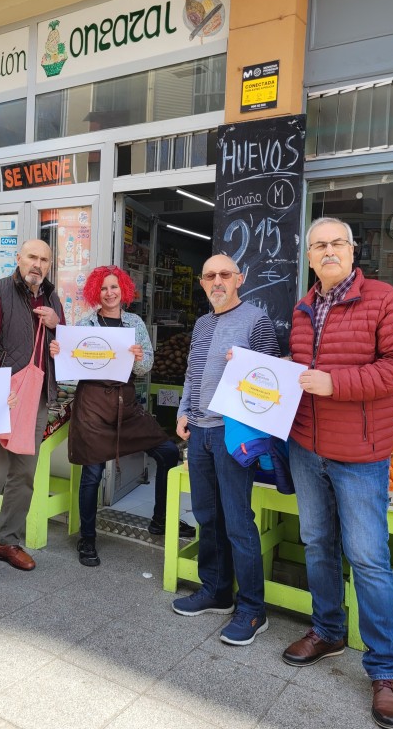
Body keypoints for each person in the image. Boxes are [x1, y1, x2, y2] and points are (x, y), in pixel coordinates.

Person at [284, 217, 393, 729]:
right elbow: (296, 373)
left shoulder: (382, 299)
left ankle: (385, 672)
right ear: (310, 257)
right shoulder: (301, 308)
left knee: (368, 560)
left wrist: (334, 383)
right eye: (319, 245)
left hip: (361, 453)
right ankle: (328, 630)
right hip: (306, 448)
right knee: (317, 543)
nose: (328, 251)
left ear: (352, 248)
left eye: (336, 242)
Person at [49, 264, 194, 567]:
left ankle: (161, 519)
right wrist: (60, 353)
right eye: (103, 288)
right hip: (91, 405)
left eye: (114, 287)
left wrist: (141, 358)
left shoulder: (135, 323)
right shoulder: (85, 324)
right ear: (95, 293)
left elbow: (145, 367)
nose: (109, 293)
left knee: (167, 452)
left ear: (123, 290)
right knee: (92, 474)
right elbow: (70, 374)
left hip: (125, 405)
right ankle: (87, 539)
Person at [172, 254, 281, 647]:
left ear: (240, 279)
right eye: (209, 276)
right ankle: (216, 591)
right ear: (202, 282)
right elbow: (191, 371)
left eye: (224, 275)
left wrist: (250, 364)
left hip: (232, 433)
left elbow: (273, 378)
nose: (216, 281)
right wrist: (183, 411)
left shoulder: (256, 320)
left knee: (238, 520)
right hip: (199, 432)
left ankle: (252, 610)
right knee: (207, 516)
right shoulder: (202, 323)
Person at [0, 239, 64, 584]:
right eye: (32, 257)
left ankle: (8, 542)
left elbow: (60, 348)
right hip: (4, 397)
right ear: (18, 259)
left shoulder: (52, 298)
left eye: (44, 259)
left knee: (24, 475)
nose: (37, 264)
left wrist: (57, 324)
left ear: (49, 265)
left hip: (36, 398)